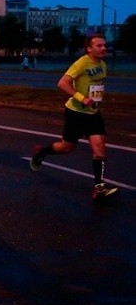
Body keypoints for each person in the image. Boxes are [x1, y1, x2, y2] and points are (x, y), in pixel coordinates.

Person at [30, 34, 118, 200]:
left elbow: (95, 87)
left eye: (105, 45)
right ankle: (42, 152)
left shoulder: (103, 65)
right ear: (89, 48)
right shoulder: (82, 62)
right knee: (67, 147)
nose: (104, 48)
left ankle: (99, 188)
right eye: (99, 46)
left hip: (93, 113)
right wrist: (82, 98)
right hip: (76, 113)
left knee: (99, 147)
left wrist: (95, 100)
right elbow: (62, 83)